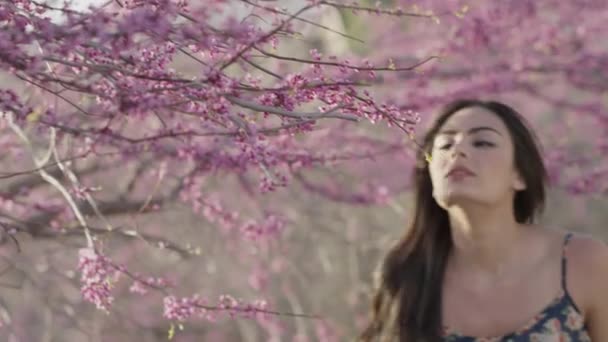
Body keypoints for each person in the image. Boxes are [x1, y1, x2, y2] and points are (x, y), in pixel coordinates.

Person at [359, 99, 608, 341]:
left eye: (483, 143)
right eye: (445, 145)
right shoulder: (406, 275)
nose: (459, 151)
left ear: (520, 174)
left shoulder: (584, 263)